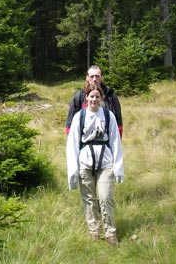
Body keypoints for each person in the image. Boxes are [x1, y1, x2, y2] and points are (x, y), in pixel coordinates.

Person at [66, 84, 124, 245]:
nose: (94, 99)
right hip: (85, 163)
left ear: (101, 98)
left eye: (97, 96)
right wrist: (73, 170)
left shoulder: (108, 115)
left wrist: (118, 168)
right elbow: (72, 144)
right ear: (86, 98)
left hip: (105, 162)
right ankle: (94, 231)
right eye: (91, 96)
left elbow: (115, 142)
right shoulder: (79, 116)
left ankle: (110, 232)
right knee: (89, 199)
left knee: (106, 198)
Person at [65, 65, 123, 138]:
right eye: (92, 76)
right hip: (84, 142)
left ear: (102, 78)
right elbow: (70, 123)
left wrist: (117, 141)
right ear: (87, 78)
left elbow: (118, 122)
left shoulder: (110, 96)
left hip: (106, 142)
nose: (94, 79)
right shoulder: (79, 96)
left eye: (97, 76)